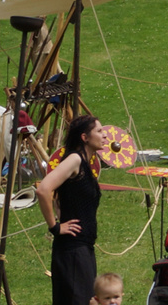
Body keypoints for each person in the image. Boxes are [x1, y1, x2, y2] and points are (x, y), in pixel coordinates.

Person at [36, 114, 111, 305]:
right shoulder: (75, 160)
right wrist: (55, 227)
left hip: (83, 248)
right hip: (73, 250)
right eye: (99, 131)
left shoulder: (85, 164)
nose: (105, 136)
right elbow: (44, 190)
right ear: (84, 137)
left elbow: (61, 197)